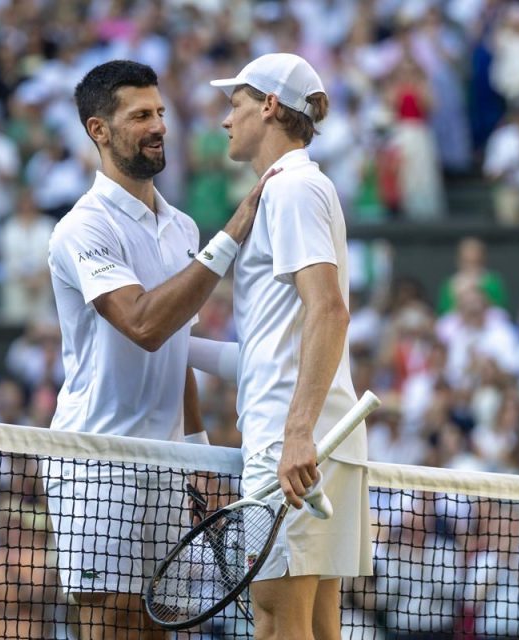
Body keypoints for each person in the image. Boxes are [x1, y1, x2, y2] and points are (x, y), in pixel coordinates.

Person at [44, 60, 273, 640]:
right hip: (94, 461)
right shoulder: (82, 228)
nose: (158, 126)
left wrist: (197, 453)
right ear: (99, 130)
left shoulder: (182, 229)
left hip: (167, 464)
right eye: (140, 115)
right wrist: (231, 236)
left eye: (161, 113)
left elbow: (175, 343)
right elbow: (143, 324)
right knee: (109, 624)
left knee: (154, 628)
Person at [194, 52, 371, 640]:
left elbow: (329, 309)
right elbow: (270, 349)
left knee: (276, 620)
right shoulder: (299, 187)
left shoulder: (291, 189)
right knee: (316, 625)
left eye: (236, 104)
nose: (226, 119)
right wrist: (178, 349)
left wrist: (296, 433)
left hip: (292, 444)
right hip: (318, 437)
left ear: (269, 107)